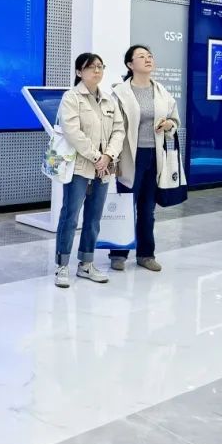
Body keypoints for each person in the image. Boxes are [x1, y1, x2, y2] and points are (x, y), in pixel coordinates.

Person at [52, 53, 126, 288]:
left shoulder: (109, 100)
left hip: (103, 168)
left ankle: (86, 263)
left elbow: (119, 131)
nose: (97, 71)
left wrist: (108, 156)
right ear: (78, 72)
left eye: (100, 67)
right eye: (91, 67)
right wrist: (96, 157)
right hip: (80, 167)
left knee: (93, 218)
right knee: (70, 216)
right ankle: (62, 265)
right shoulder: (71, 97)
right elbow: (72, 132)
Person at [109, 44, 180, 273]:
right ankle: (118, 253)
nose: (148, 59)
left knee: (148, 209)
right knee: (125, 206)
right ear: (130, 64)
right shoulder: (120, 93)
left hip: (154, 156)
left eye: (149, 56)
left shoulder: (160, 90)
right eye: (141, 56)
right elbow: (112, 126)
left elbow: (174, 119)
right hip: (130, 156)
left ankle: (146, 254)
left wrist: (168, 124)